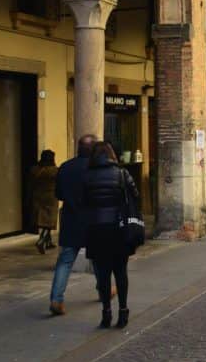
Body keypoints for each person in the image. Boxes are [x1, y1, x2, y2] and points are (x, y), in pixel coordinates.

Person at [84, 141, 139, 329]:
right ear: (112, 155)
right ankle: (123, 312)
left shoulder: (88, 176)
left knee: (103, 273)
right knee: (120, 272)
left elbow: (82, 201)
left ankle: (106, 312)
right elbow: (135, 195)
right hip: (118, 228)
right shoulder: (122, 174)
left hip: (96, 229)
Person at [49, 134, 97, 316]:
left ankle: (56, 299)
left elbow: (59, 194)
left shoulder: (65, 167)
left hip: (70, 219)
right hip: (92, 220)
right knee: (98, 259)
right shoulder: (96, 168)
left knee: (65, 261)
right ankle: (104, 290)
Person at [31, 150, 59, 254]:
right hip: (51, 197)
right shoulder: (55, 171)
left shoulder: (35, 170)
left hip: (38, 196)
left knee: (42, 219)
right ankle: (42, 240)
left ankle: (48, 241)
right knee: (49, 222)